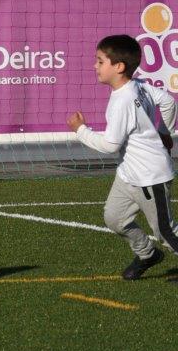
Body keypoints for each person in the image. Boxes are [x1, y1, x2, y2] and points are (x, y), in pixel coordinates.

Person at [67, 34, 178, 279]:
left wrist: (80, 130)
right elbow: (168, 102)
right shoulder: (137, 85)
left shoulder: (123, 100)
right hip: (129, 174)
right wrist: (163, 132)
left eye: (99, 61)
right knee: (114, 218)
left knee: (165, 231)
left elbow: (109, 145)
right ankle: (147, 254)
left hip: (151, 176)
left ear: (118, 67)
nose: (94, 66)